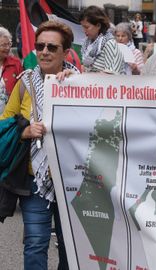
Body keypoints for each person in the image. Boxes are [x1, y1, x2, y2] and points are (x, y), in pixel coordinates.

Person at [0, 20, 80, 270]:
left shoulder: (83, 84)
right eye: (40, 46)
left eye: (51, 47)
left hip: (73, 181)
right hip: (35, 180)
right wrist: (24, 131)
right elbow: (4, 123)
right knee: (35, 242)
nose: (44, 51)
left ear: (66, 53)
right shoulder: (24, 83)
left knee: (72, 245)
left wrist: (75, 86)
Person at [79, 5, 124, 74]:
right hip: (91, 84)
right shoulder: (87, 43)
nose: (84, 30)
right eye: (83, 27)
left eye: (87, 27)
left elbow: (114, 74)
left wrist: (92, 75)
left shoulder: (110, 44)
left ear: (98, 26)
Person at [0, 26, 22, 114]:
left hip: (9, 117)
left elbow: (22, 90)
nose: (8, 48)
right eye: (3, 45)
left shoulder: (16, 63)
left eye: (9, 44)